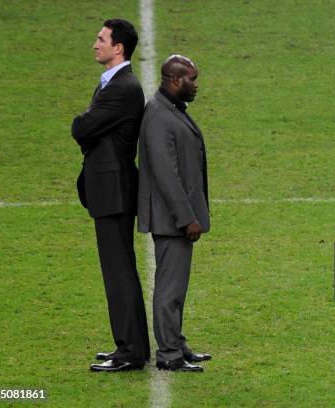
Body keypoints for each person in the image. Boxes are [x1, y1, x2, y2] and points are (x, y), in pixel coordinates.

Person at [72, 18, 150, 372]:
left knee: (119, 272)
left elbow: (83, 127)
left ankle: (131, 351)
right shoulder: (114, 84)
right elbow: (91, 130)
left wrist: (85, 125)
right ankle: (129, 346)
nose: (95, 44)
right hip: (111, 189)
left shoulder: (123, 87)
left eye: (101, 39)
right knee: (118, 271)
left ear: (118, 47)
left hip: (114, 191)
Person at [138, 55, 212, 372]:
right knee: (169, 289)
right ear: (175, 80)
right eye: (192, 79)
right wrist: (187, 218)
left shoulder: (170, 110)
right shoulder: (157, 116)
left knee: (176, 287)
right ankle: (168, 353)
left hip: (176, 219)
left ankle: (176, 343)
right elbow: (166, 175)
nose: (196, 85)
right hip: (172, 221)